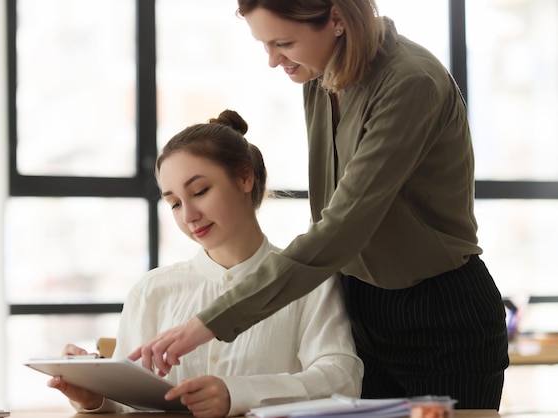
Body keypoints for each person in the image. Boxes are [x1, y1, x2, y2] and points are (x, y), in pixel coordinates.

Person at [129, 0, 510, 410]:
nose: (274, 60)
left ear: (337, 18)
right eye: (265, 44)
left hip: (440, 313)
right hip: (362, 307)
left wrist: (211, 321)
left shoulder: (410, 82)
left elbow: (342, 226)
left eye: (283, 42)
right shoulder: (317, 73)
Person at [47, 109, 363, 418]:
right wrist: (94, 397)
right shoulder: (152, 291)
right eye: (173, 203)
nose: (188, 216)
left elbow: (341, 379)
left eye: (200, 191)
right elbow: (127, 404)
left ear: (244, 177)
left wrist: (236, 394)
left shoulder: (309, 282)